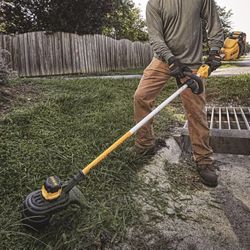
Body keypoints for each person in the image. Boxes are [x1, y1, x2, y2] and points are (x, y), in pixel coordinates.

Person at [133, 0, 224, 187]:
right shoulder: (154, 4)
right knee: (141, 97)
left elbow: (214, 24)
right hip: (163, 60)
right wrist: (171, 59)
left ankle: (204, 160)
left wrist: (215, 50)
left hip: (192, 63)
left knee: (196, 111)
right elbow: (155, 38)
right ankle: (145, 144)